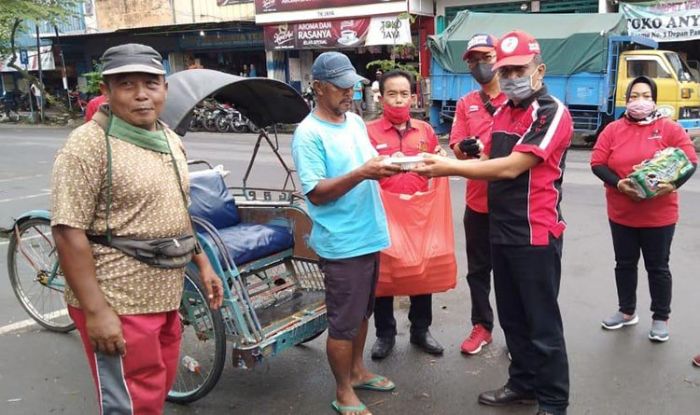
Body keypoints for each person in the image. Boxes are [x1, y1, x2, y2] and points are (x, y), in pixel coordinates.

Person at [51, 43, 224, 414]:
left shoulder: (168, 138)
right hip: (118, 297)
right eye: (127, 84)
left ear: (165, 88)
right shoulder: (87, 146)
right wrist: (97, 312)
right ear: (107, 92)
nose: (142, 94)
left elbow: (179, 209)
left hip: (165, 295)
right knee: (128, 402)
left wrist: (203, 264)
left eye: (151, 83)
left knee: (154, 390)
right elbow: (68, 233)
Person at [414, 30, 572, 415]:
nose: (513, 75)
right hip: (501, 228)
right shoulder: (505, 112)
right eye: (507, 69)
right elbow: (492, 156)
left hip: (534, 232)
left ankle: (553, 401)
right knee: (514, 319)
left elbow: (514, 167)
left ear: (539, 69)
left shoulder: (550, 111)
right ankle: (522, 385)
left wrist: (450, 167)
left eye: (520, 68)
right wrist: (468, 154)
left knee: (542, 323)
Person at [292, 51, 400, 415]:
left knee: (362, 313)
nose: (349, 93)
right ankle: (342, 392)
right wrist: (363, 173)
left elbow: (368, 163)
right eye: (340, 87)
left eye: (352, 86)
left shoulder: (353, 121)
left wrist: (393, 166)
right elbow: (316, 194)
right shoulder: (308, 134)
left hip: (369, 233)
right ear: (318, 87)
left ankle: (356, 372)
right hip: (341, 243)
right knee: (342, 324)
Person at [590, 76, 697, 342]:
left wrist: (671, 186)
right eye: (634, 96)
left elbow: (690, 161)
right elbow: (597, 162)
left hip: (659, 216)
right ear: (626, 100)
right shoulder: (613, 129)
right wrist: (619, 184)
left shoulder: (669, 128)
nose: (640, 101)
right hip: (622, 213)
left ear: (654, 100)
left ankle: (661, 317)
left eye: (646, 96)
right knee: (624, 264)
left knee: (658, 267)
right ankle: (627, 312)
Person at [365, 69, 445, 360]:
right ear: (381, 96)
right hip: (383, 215)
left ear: (413, 97)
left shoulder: (424, 130)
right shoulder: (368, 131)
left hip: (418, 213)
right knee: (385, 275)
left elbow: (437, 161)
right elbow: (362, 168)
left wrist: (441, 160)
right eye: (391, 94)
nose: (398, 100)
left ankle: (420, 330)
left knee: (420, 271)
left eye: (404, 94)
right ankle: (384, 334)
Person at [450, 33, 508, 356]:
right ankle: (482, 326)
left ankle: (516, 335)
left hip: (511, 205)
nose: (479, 65)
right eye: (473, 60)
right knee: (478, 271)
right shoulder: (466, 103)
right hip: (478, 203)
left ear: (498, 58)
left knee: (512, 273)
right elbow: (456, 146)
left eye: (485, 57)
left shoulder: (516, 100)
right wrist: (464, 148)